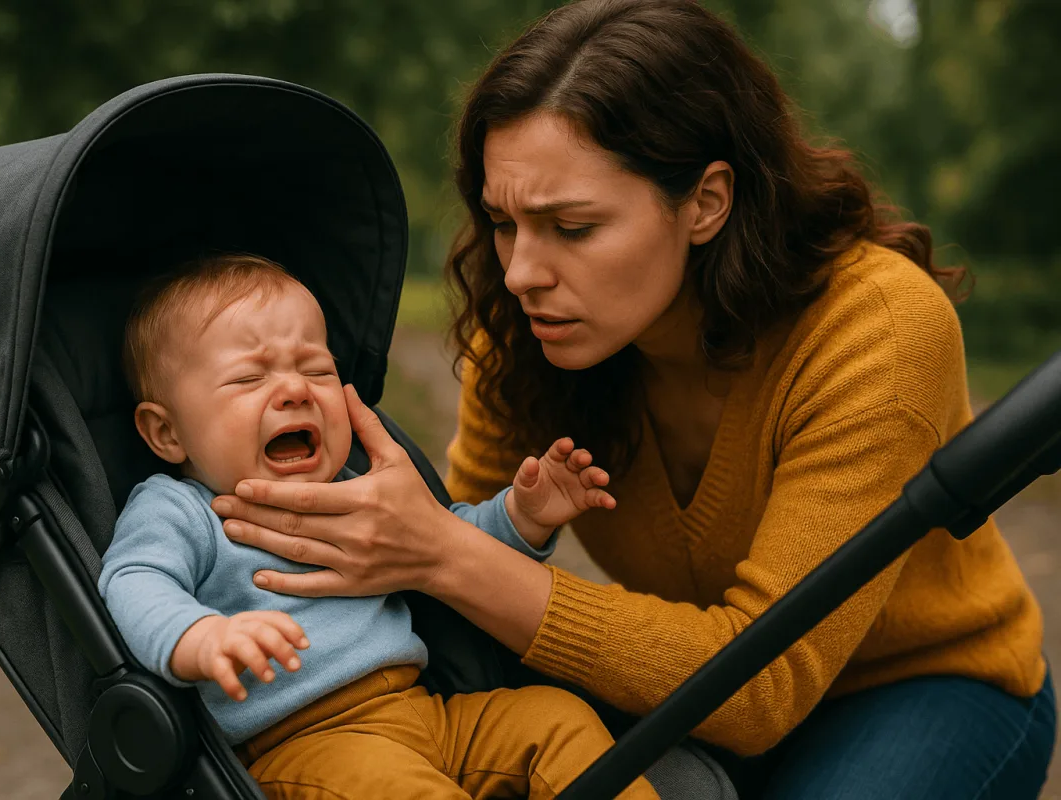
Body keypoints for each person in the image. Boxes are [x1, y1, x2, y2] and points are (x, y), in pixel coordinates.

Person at [209, 1, 1057, 798]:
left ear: (706, 202)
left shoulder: (877, 328)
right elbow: (464, 553)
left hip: (927, 684)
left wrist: (442, 552)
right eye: (504, 221)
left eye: (571, 228)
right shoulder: (534, 327)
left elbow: (759, 688)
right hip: (684, 684)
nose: (519, 272)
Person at [98, 253, 657, 800]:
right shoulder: (181, 509)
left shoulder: (353, 483)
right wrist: (199, 635)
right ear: (166, 434)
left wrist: (521, 518)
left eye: (317, 368)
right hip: (310, 744)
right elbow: (133, 579)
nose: (296, 390)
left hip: (427, 711)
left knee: (555, 717)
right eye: (248, 378)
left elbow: (443, 537)